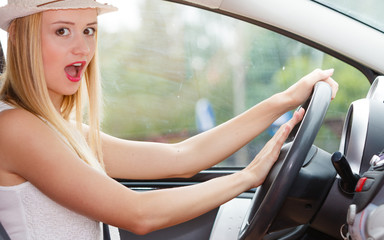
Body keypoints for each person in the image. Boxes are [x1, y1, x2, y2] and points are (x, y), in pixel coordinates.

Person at [0, 0, 338, 239]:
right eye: (62, 32)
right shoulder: (15, 128)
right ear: (19, 36)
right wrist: (246, 177)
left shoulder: (59, 129)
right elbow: (139, 214)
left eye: (89, 30)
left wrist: (286, 99)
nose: (82, 49)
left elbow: (184, 158)